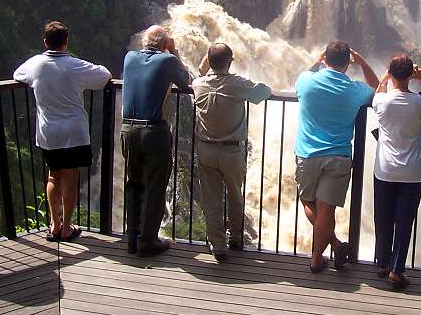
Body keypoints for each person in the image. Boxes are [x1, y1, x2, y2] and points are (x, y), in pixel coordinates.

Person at [14, 21, 111, 243]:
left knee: (53, 176)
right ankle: (67, 226)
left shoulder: (35, 64)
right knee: (71, 177)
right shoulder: (75, 65)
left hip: (49, 132)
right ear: (66, 42)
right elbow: (104, 75)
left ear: (45, 42)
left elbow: (18, 74)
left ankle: (54, 224)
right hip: (75, 131)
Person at [295, 40, 378, 273]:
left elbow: (306, 72)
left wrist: (317, 59)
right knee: (326, 209)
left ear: (325, 59)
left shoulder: (307, 82)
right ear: (347, 64)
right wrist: (361, 62)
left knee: (308, 202)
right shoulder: (355, 89)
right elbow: (378, 88)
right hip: (339, 156)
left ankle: (319, 258)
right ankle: (330, 248)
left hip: (307, 153)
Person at [194, 43, 271, 262]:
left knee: (211, 200)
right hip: (232, 151)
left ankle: (217, 245)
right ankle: (235, 238)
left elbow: (200, 76)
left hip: (206, 150)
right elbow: (262, 92)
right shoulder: (238, 84)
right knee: (235, 195)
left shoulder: (198, 84)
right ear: (230, 62)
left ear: (208, 62)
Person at [121, 25, 192, 257]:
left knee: (133, 184)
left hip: (128, 130)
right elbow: (186, 81)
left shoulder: (130, 57)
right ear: (165, 44)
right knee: (155, 186)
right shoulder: (167, 60)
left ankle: (132, 239)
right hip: (154, 132)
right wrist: (174, 53)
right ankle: (148, 241)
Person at [372, 54, 421, 289]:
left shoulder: (381, 101)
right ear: (411, 74)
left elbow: (378, 90)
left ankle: (382, 263)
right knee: (404, 221)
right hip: (413, 172)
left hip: (385, 170)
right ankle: (397, 270)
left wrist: (384, 77)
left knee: (383, 217)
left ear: (391, 74)